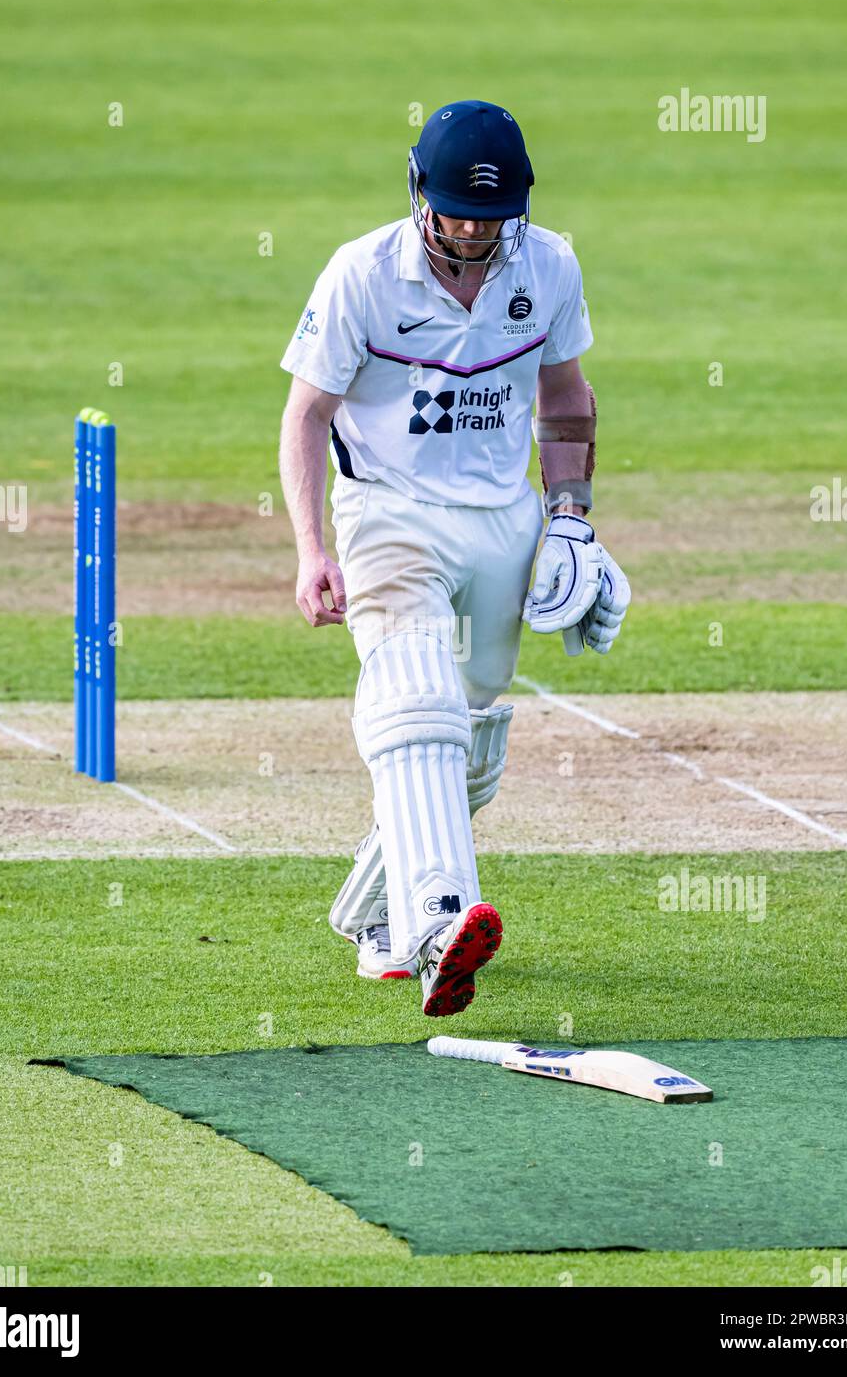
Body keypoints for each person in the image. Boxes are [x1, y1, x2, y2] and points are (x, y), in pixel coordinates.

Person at [279, 100, 629, 1017]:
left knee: (467, 743)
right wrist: (312, 547)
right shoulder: (361, 273)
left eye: (490, 214)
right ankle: (438, 926)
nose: (472, 230)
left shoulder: (547, 264)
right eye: (455, 210)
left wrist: (571, 521)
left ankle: (374, 915)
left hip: (499, 519)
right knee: (414, 700)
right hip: (386, 512)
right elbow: (306, 415)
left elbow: (564, 399)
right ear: (416, 192)